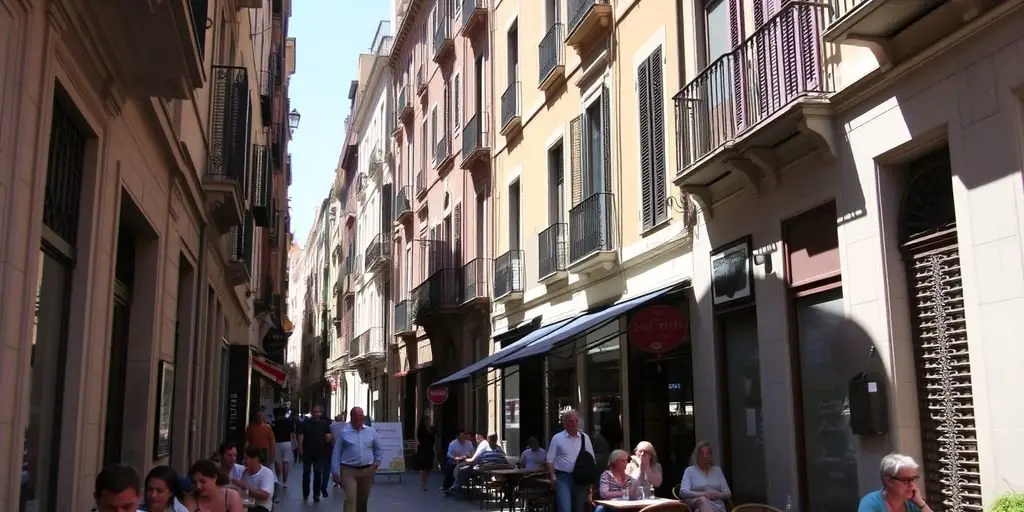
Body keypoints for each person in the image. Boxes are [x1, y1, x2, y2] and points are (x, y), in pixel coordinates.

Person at [332, 406, 382, 512]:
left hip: (367, 470)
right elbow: (336, 452)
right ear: (352, 417)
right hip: (348, 470)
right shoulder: (344, 432)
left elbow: (378, 448)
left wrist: (378, 460)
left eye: (361, 416)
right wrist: (335, 471)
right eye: (356, 416)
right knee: (350, 498)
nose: (359, 418)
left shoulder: (371, 431)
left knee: (362, 500)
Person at [546, 409, 597, 512]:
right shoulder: (557, 438)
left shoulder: (584, 438)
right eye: (570, 421)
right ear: (564, 423)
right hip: (563, 478)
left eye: (576, 421)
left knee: (579, 508)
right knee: (565, 509)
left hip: (580, 479)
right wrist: (553, 476)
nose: (574, 424)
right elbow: (549, 459)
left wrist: (589, 478)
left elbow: (591, 459)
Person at [857, 453, 933, 512]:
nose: (912, 486)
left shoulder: (912, 502)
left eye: (914, 479)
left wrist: (921, 503)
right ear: (889, 481)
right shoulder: (871, 503)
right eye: (906, 480)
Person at [679, 441, 732, 512]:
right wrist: (704, 494)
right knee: (702, 500)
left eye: (707, 454)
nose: (705, 456)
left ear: (710, 455)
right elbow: (683, 492)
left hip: (717, 505)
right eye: (702, 453)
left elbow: (728, 493)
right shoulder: (689, 471)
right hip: (697, 502)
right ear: (697, 455)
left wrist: (716, 495)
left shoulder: (717, 470)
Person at [296, 404, 332, 503]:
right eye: (314, 412)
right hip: (307, 451)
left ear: (320, 413)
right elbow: (301, 436)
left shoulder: (324, 424)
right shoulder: (306, 423)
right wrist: (300, 448)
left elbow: (328, 435)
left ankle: (316, 494)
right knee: (306, 473)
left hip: (320, 452)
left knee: (318, 473)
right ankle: (305, 493)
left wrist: (329, 437)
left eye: (317, 412)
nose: (315, 414)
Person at [239, 447, 277, 512]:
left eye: (246, 459)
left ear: (255, 459)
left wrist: (246, 487)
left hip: (262, 507)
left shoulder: (266, 473)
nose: (244, 461)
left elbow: (265, 495)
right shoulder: (245, 473)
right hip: (247, 505)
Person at [272, 409, 296, 487]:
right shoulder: (289, 422)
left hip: (277, 443)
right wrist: (295, 443)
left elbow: (272, 436)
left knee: (278, 462)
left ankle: (278, 480)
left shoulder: (275, 423)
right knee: (286, 462)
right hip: (287, 443)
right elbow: (293, 434)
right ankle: (285, 481)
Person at [414, 416, 436, 491]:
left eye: (429, 420)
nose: (429, 422)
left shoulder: (432, 430)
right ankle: (424, 483)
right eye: (428, 420)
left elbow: (433, 442)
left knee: (429, 468)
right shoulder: (421, 430)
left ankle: (425, 481)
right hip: (423, 450)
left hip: (430, 450)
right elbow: (418, 440)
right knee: (423, 468)